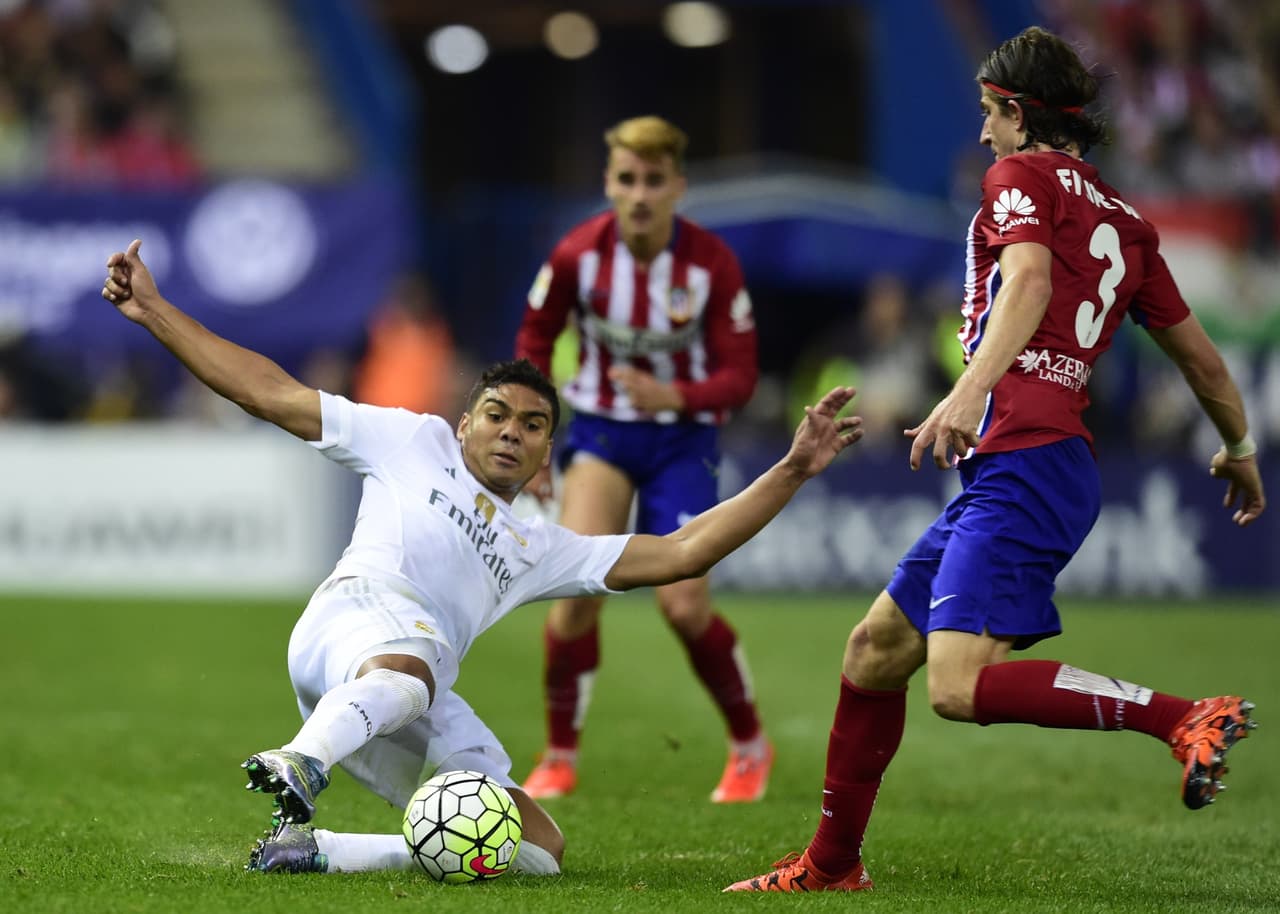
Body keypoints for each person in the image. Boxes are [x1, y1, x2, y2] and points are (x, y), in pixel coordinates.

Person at [98, 239, 863, 875]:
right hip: (351, 626)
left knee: (536, 851)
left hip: (411, 691)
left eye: (533, 425)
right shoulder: (409, 439)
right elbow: (270, 393)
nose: (511, 432)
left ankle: (317, 852)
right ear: (464, 423)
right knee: (418, 658)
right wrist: (154, 311)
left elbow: (684, 550)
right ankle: (301, 761)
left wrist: (792, 469)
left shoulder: (541, 542)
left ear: (545, 453)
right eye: (496, 414)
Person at [726, 26, 1265, 894]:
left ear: (1018, 114)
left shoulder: (1016, 178)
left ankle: (1182, 717)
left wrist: (970, 386)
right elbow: (1202, 361)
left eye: (989, 113)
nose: (982, 133)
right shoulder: (1128, 225)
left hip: (1029, 464)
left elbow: (1028, 283)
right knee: (872, 651)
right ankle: (831, 866)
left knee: (956, 687)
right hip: (1034, 468)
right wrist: (1239, 447)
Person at [515, 115, 769, 803]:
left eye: (654, 181)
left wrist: (672, 394)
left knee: (684, 606)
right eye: (627, 180)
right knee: (573, 595)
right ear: (609, 183)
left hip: (682, 441)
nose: (639, 195)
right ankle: (560, 756)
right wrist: (535, 436)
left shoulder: (710, 264)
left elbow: (741, 375)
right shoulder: (577, 254)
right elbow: (534, 339)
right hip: (600, 433)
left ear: (678, 187)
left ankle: (749, 744)